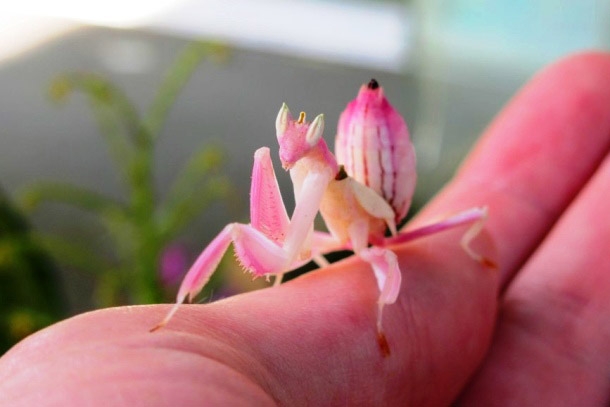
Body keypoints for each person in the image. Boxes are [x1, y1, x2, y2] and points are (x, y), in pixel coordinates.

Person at [1, 52, 609, 406]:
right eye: (287, 156)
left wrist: (380, 326)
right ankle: (176, 313)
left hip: (382, 219)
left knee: (467, 220)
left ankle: (179, 312)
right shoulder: (304, 168)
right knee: (248, 228)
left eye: (299, 156)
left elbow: (386, 262)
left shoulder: (338, 176)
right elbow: (291, 243)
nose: (291, 163)